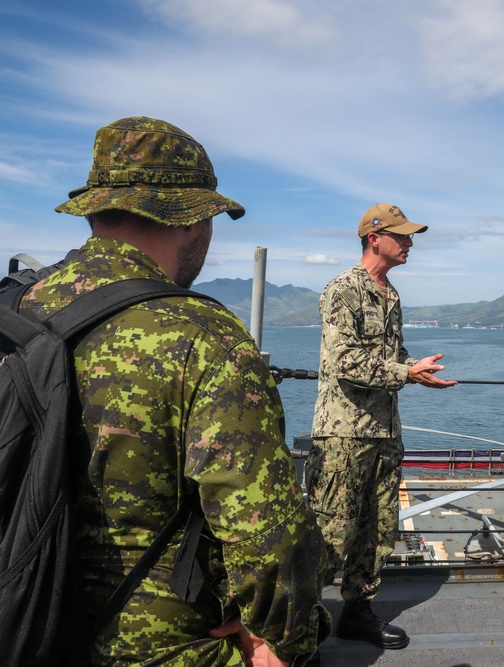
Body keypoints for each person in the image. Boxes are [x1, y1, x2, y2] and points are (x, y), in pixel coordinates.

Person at [15, 117, 331, 665]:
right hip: (155, 646)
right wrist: (284, 641)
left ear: (94, 210)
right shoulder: (201, 336)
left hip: (21, 620)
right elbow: (269, 538)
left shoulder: (16, 310)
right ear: (190, 220)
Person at [308, 203, 457, 649]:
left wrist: (416, 368)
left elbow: (390, 358)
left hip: (384, 432)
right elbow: (346, 362)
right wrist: (405, 374)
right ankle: (298, 623)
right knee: (331, 531)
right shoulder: (343, 290)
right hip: (344, 433)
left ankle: (357, 612)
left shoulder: (389, 294)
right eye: (403, 236)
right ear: (375, 238)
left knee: (377, 529)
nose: (410, 243)